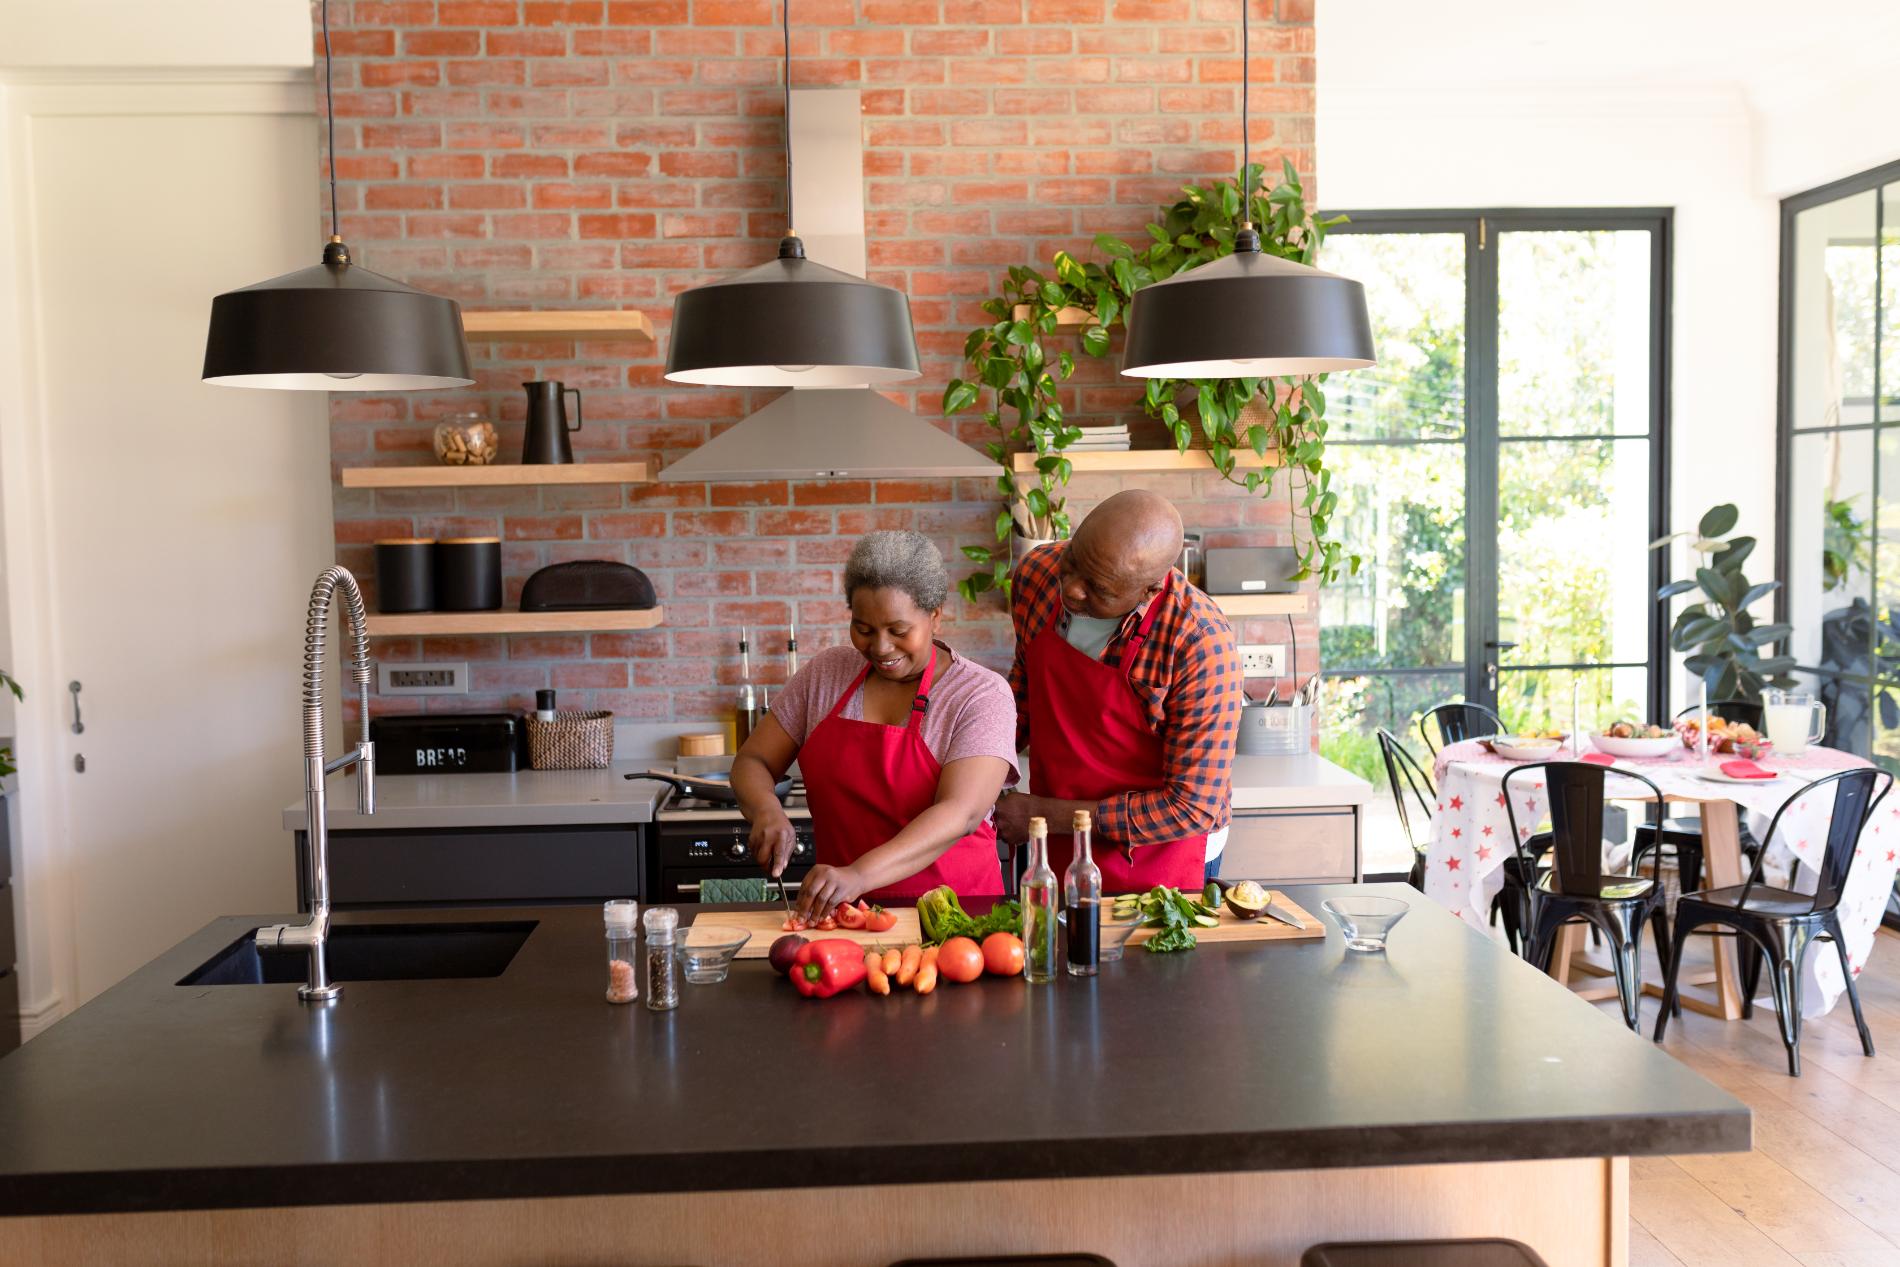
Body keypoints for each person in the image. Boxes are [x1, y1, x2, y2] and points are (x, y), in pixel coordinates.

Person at [732, 530, 1016, 920]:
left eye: (898, 631)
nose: (880, 648)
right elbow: (752, 762)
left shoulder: (980, 694)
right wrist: (767, 810)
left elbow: (961, 812)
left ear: (935, 615)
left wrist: (858, 875)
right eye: (863, 629)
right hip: (846, 918)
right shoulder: (826, 675)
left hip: (957, 921)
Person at [996, 489, 1244, 892]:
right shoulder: (1036, 577)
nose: (1072, 590)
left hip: (1162, 852)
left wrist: (1046, 815)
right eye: (1072, 562)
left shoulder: (1199, 642)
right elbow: (1025, 697)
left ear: (1150, 589)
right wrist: (976, 769)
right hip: (1055, 833)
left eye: (1099, 589)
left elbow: (1191, 807)